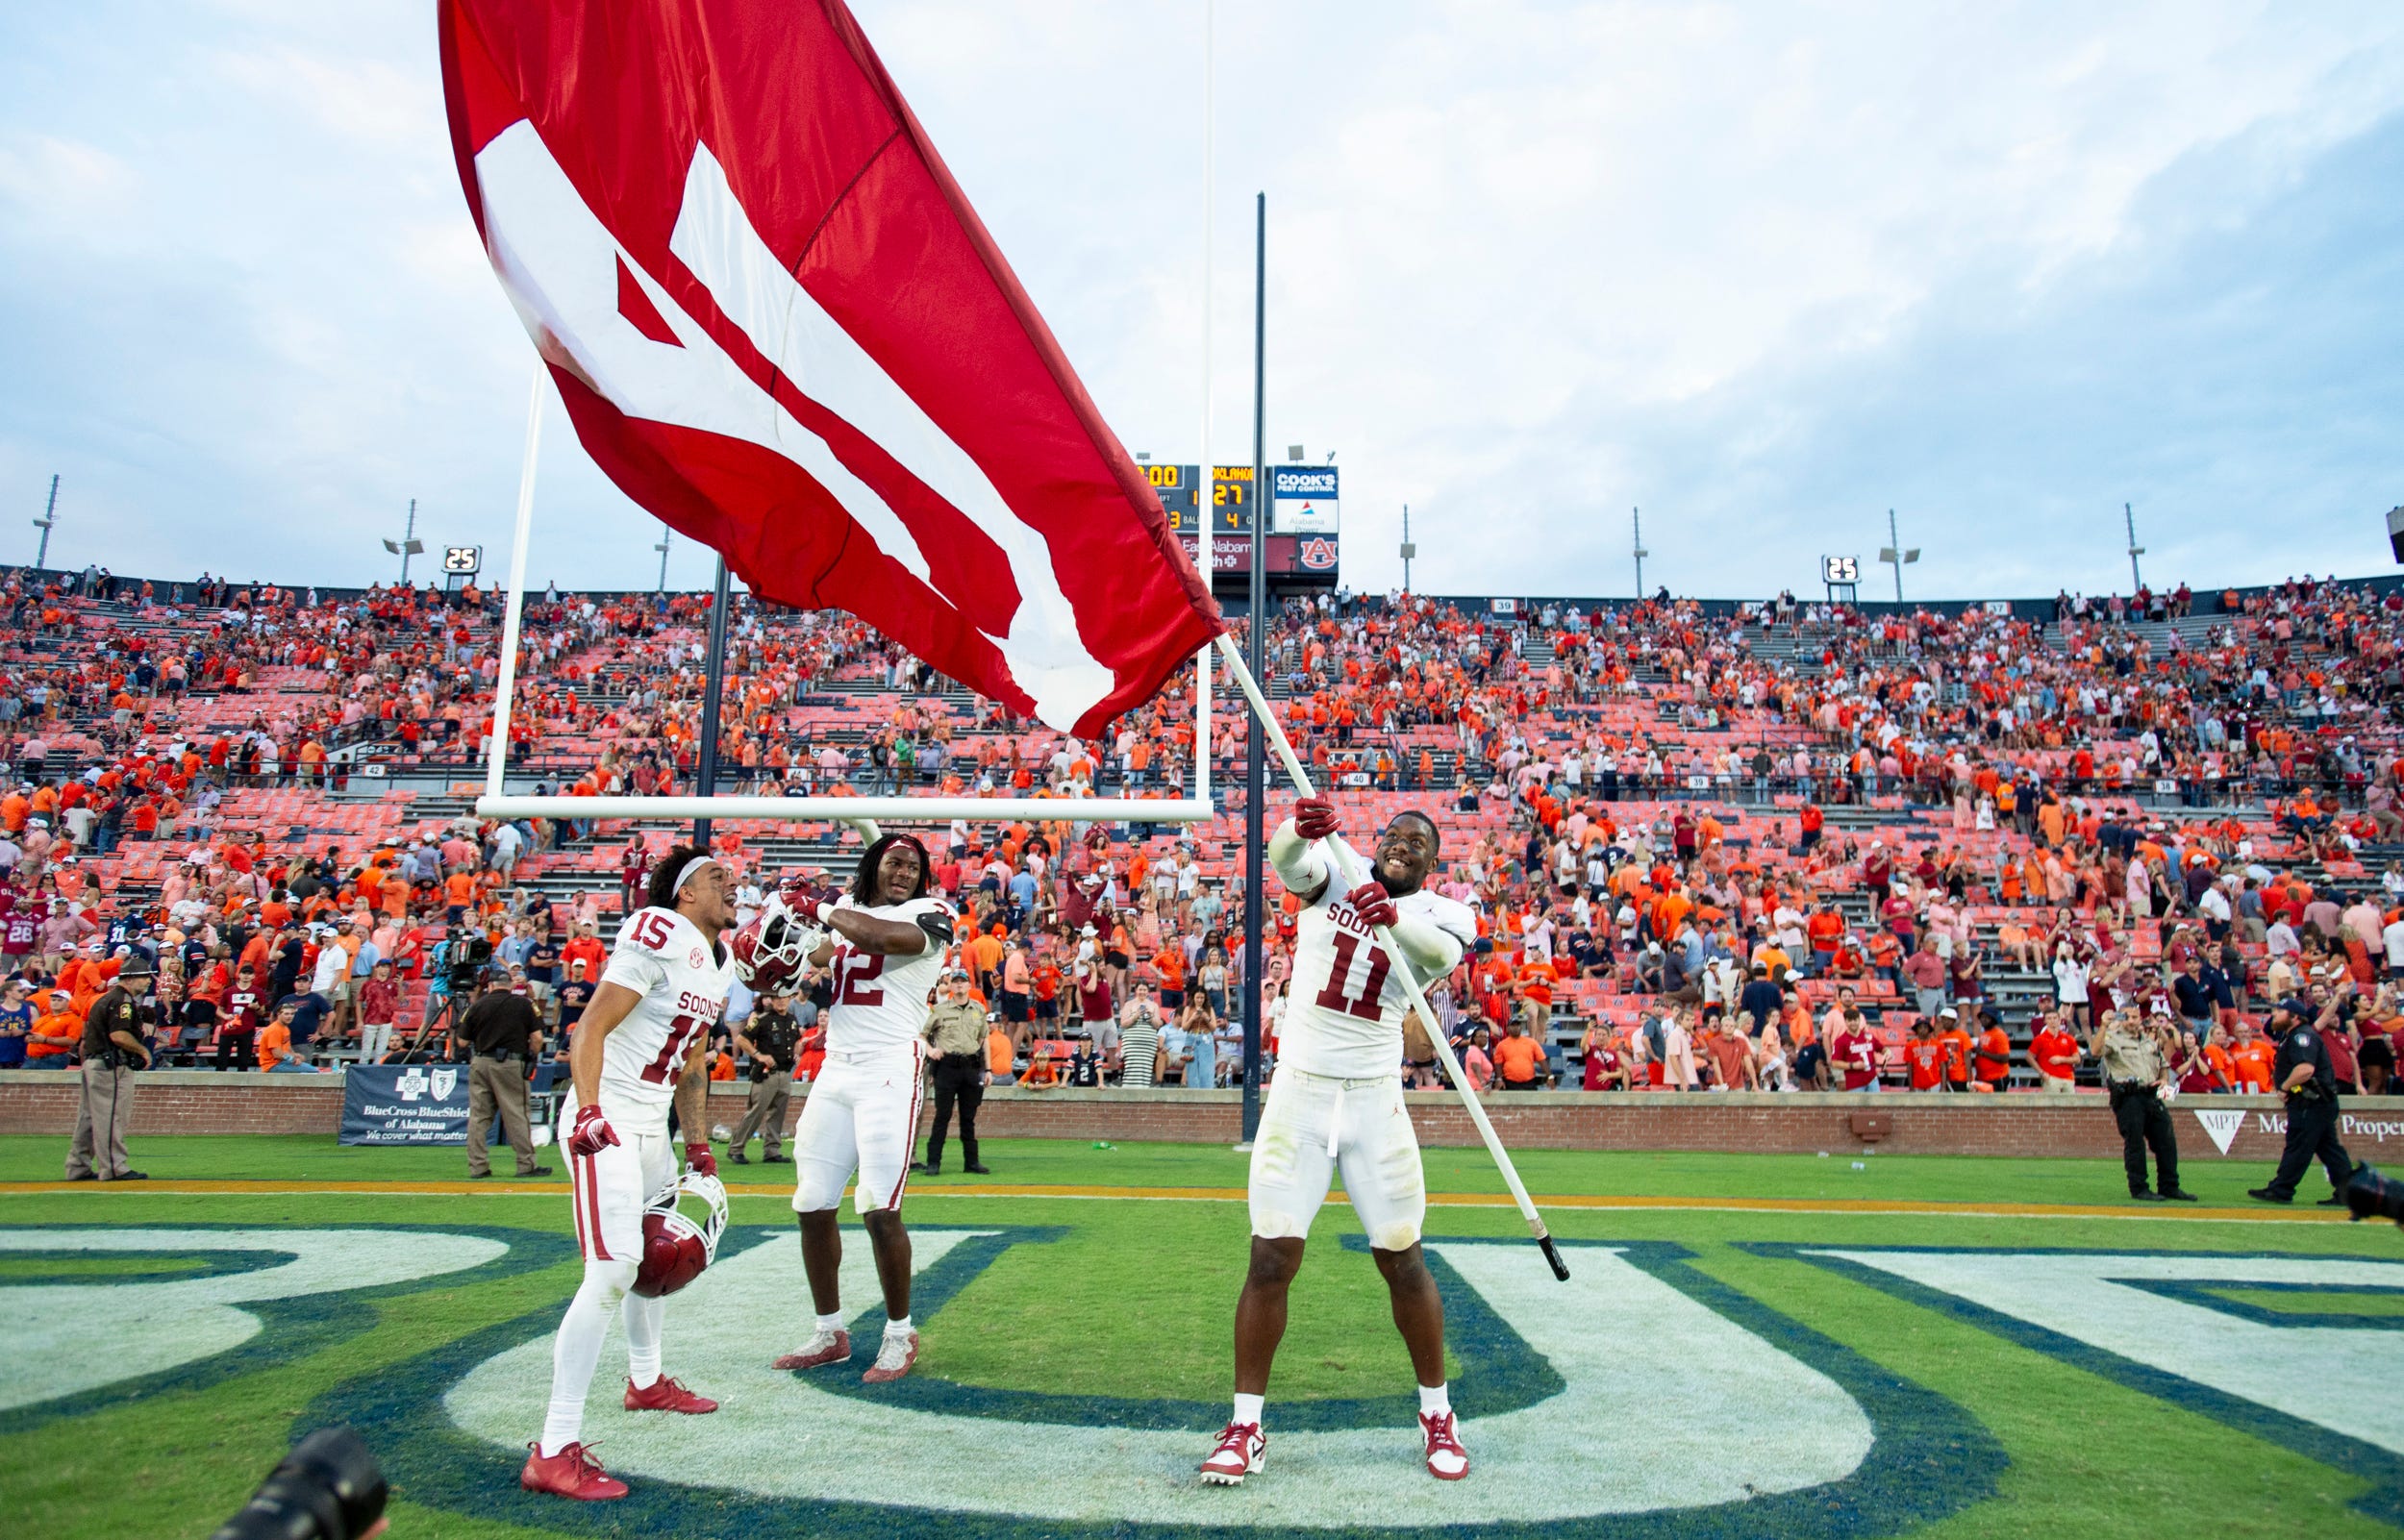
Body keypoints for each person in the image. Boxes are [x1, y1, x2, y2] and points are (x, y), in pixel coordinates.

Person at [1202, 798, 1478, 1488]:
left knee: (1402, 1257)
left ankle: (1437, 1414)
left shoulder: (1444, 913)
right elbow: (1288, 860)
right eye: (1394, 836)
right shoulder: (1339, 873)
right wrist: (1300, 828)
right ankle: (1244, 1425)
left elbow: (1440, 954)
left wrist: (1394, 917)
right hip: (1301, 1090)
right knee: (1270, 1255)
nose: (1402, 847)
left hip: (1372, 1097)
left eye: (1419, 843)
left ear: (1434, 862)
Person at [521, 845, 734, 1502]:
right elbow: (589, 1028)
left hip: (651, 1127)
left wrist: (696, 1145)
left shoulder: (719, 962)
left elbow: (693, 1063)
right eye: (715, 877)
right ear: (683, 895)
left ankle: (646, 1381)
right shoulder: (658, 928)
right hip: (608, 1115)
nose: (731, 883)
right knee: (613, 1270)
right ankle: (554, 1449)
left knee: (652, 1257)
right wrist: (587, 1110)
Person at [776, 833, 954, 1386]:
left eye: (912, 865)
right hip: (838, 1066)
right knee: (811, 1201)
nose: (902, 872)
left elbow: (886, 937)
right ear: (873, 866)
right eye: (893, 862)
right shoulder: (848, 914)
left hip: (888, 1067)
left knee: (879, 1208)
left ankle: (900, 1332)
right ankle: (830, 1331)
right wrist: (788, 927)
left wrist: (824, 907)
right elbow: (816, 955)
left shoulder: (931, 911)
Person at [2249, 991, 2357, 1205]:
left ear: (2294, 1017)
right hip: (2316, 1102)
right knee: (2329, 1149)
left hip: (2311, 1102)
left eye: (2280, 1011)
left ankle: (2281, 1190)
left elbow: (2305, 1069)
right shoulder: (2293, 1036)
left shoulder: (2302, 1037)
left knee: (2298, 1145)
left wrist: (2285, 1088)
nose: (2274, 1014)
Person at [453, 971, 553, 1181]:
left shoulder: (477, 1006)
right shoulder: (523, 1004)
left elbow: (461, 1042)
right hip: (510, 1063)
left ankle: (478, 1167)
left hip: (480, 1062)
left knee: (479, 1117)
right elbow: (537, 1038)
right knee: (516, 1114)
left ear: (490, 986)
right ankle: (526, 1164)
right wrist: (531, 1056)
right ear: (510, 985)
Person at [2090, 1006, 2193, 1202]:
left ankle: (2169, 1186)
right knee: (2135, 1143)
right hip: (2129, 1096)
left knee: (2166, 1141)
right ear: (2120, 1018)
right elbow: (2095, 1051)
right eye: (2127, 1017)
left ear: (2140, 1019)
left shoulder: (2148, 1041)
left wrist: (2163, 1080)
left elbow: (2163, 1064)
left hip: (2151, 1094)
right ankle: (2139, 1187)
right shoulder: (2113, 1038)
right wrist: (2103, 1026)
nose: (2131, 1021)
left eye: (2135, 1017)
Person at [64, 954, 152, 1181]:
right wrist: (143, 1051)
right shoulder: (122, 1001)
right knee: (111, 1117)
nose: (148, 981)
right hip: (109, 1065)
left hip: (95, 1063)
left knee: (88, 1118)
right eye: (144, 977)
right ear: (130, 979)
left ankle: (78, 1166)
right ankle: (114, 1167)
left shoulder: (104, 999)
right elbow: (119, 1035)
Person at [917, 970, 990, 1175]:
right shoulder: (939, 1010)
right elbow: (921, 1035)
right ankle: (934, 1162)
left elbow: (984, 1039)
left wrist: (988, 1068)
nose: (959, 985)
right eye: (955, 982)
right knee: (943, 1115)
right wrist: (931, 1050)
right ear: (950, 986)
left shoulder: (979, 1009)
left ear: (969, 986)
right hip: (947, 1065)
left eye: (963, 982)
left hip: (970, 1065)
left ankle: (972, 1162)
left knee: (969, 1117)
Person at [727, 987, 801, 1165]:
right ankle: (736, 1148)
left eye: (784, 998)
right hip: (766, 1074)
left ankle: (772, 1150)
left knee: (778, 1114)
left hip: (784, 1073)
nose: (780, 1001)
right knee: (756, 1112)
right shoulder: (763, 1020)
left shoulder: (792, 1019)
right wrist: (759, 1055)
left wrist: (797, 1052)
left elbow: (797, 1039)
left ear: (790, 998)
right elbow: (741, 1039)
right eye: (776, 998)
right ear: (771, 1000)